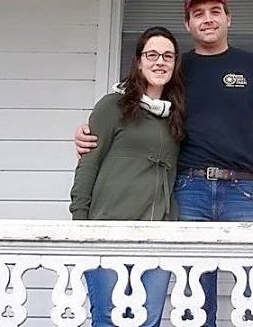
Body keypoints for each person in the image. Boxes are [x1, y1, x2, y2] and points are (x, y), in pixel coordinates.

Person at [75, 0, 253, 327]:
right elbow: (128, 101)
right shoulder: (176, 68)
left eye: (214, 12)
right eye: (198, 14)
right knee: (193, 305)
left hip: (243, 192)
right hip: (187, 192)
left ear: (229, 17)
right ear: (188, 24)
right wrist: (87, 133)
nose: (207, 20)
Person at [70, 26, 186, 327]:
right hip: (107, 231)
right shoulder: (113, 105)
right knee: (108, 317)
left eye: (168, 56)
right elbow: (88, 165)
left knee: (148, 320)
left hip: (158, 235)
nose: (160, 62)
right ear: (138, 61)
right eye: (152, 55)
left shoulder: (177, 116)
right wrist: (80, 225)